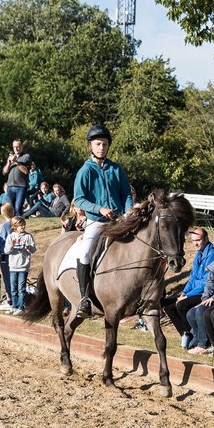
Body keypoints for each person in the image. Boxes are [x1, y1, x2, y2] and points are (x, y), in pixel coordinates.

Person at [71, 124, 134, 316]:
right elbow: (79, 199)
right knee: (86, 253)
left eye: (105, 144)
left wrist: (129, 211)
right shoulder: (85, 170)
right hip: (96, 222)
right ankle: (84, 299)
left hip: (118, 220)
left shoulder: (116, 168)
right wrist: (100, 208)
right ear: (90, 146)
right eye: (98, 144)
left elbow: (126, 193)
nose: (101, 147)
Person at [165, 228, 214, 348]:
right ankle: (186, 333)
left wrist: (188, 295)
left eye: (198, 240)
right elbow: (192, 278)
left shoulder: (212, 254)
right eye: (193, 241)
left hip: (206, 293)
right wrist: (184, 292)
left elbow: (206, 281)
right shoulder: (198, 254)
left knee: (181, 305)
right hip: (194, 291)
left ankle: (196, 335)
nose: (195, 243)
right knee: (168, 307)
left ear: (206, 239)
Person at [5, 216, 36, 315]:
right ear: (14, 226)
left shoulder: (28, 236)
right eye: (20, 225)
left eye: (23, 224)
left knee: (21, 288)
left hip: (23, 266)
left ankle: (21, 307)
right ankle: (14, 306)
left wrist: (28, 246)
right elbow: (6, 251)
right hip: (13, 266)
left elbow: (33, 250)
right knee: (13, 288)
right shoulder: (11, 236)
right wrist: (12, 245)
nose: (22, 227)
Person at [0, 202, 16, 311]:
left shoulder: (5, 225)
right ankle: (13, 299)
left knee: (7, 277)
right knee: (13, 277)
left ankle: (10, 299)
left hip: (4, 255)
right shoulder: (15, 223)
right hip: (14, 254)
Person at [2, 139, 30, 216]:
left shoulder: (26, 157)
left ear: (22, 147)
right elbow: (4, 172)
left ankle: (20, 226)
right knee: (10, 209)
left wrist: (16, 162)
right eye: (14, 147)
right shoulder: (10, 157)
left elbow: (26, 171)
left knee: (18, 209)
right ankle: (12, 226)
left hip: (21, 187)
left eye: (18, 147)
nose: (16, 149)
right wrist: (8, 163)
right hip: (10, 186)